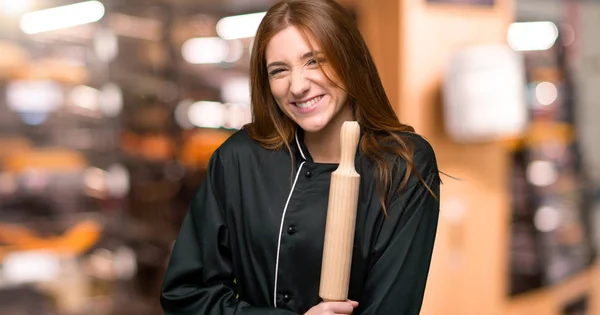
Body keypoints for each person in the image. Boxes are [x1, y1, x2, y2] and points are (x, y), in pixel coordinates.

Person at [160, 0, 441, 314]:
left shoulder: (403, 164)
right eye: (279, 71)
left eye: (314, 62)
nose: (297, 86)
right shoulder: (238, 159)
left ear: (348, 58)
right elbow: (185, 296)